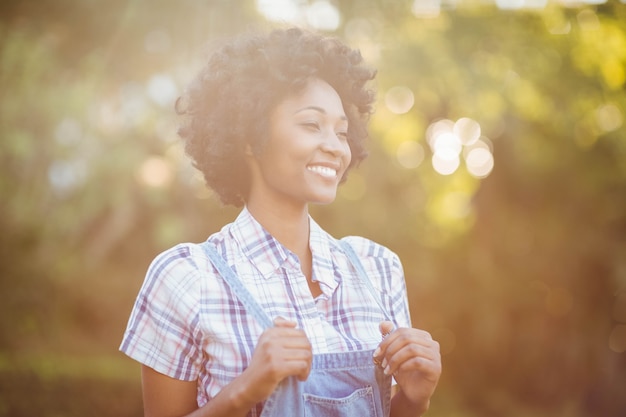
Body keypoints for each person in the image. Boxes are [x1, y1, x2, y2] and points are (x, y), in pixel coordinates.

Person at [120, 27, 441, 417]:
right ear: (249, 139)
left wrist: (415, 398)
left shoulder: (378, 269)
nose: (335, 146)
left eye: (342, 132)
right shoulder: (187, 277)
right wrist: (245, 390)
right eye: (311, 125)